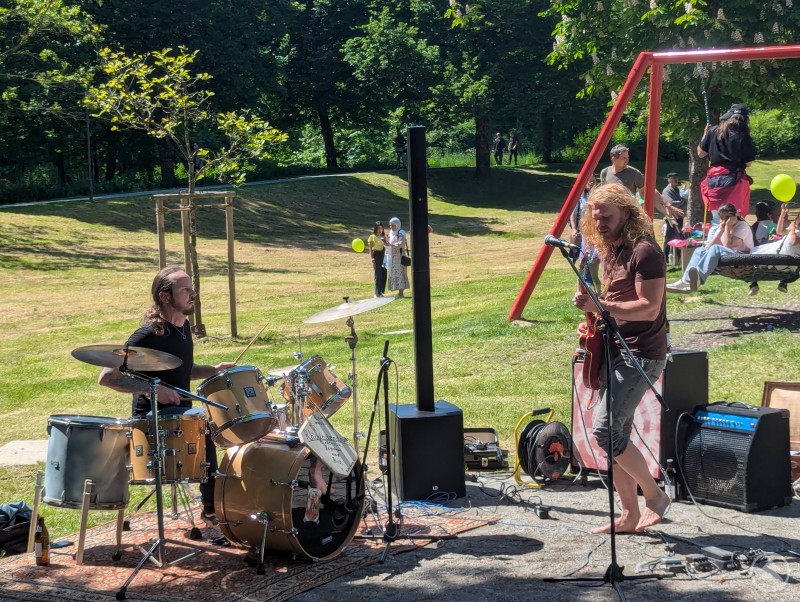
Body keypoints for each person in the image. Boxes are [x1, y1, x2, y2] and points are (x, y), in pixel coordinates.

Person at [98, 266, 235, 524]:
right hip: (151, 418)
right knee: (203, 421)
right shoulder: (149, 334)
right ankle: (211, 506)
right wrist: (153, 390)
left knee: (218, 418)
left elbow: (183, 370)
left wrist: (213, 370)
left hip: (180, 413)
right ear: (165, 296)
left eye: (192, 288)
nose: (193, 294)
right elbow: (107, 376)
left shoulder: (184, 329)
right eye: (185, 289)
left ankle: (225, 493)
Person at [573, 183, 669, 533]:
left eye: (607, 217)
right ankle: (629, 514)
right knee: (616, 435)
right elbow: (612, 300)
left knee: (605, 431)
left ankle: (655, 495)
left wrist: (602, 306)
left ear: (627, 212)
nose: (600, 224)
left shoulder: (646, 252)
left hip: (641, 355)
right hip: (616, 350)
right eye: (595, 218)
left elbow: (648, 308)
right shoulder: (609, 249)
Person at [666, 203, 754, 293]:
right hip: (727, 254)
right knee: (700, 250)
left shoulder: (742, 226)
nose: (725, 220)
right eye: (722, 217)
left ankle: (698, 278)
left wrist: (727, 227)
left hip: (742, 257)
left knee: (716, 248)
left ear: (734, 216)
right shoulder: (723, 226)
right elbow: (709, 247)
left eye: (727, 217)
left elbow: (728, 245)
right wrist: (721, 230)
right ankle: (686, 281)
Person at [698, 103, 756, 240]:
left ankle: (710, 249)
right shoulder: (744, 136)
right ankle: (731, 250)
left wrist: (705, 136)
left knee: (717, 220)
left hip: (714, 180)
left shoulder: (713, 131)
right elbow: (749, 163)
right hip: (734, 182)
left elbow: (700, 153)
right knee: (734, 219)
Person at [600, 144, 683, 220]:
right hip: (610, 215)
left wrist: (667, 206)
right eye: (623, 158)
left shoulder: (634, 173)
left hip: (628, 215)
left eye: (627, 157)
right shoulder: (605, 172)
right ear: (614, 159)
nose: (627, 161)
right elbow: (603, 195)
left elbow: (649, 192)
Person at [749, 204, 794, 296]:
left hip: (783, 251)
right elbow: (778, 232)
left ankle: (783, 282)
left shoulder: (790, 226)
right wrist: (782, 214)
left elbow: (778, 233)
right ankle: (753, 284)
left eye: (785, 215)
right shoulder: (772, 225)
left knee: (790, 267)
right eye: (778, 214)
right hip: (773, 249)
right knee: (755, 260)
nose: (785, 217)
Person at [568, 173, 600, 287]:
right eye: (588, 179)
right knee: (582, 258)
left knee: (592, 259)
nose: (591, 181)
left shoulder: (598, 195)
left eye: (593, 178)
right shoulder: (579, 196)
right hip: (583, 232)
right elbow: (572, 212)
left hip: (595, 232)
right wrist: (574, 228)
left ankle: (590, 284)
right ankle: (584, 284)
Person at [661, 172, 686, 262]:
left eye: (676, 178)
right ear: (669, 180)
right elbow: (670, 203)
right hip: (671, 217)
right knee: (670, 237)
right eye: (673, 178)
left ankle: (677, 258)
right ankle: (665, 257)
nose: (675, 179)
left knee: (677, 237)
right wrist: (682, 200)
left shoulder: (677, 189)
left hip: (679, 216)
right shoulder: (666, 190)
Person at [386, 217, 409, 298]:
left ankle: (401, 293)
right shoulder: (391, 233)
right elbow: (389, 242)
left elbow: (400, 243)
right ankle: (398, 292)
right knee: (394, 273)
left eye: (393, 225)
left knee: (401, 274)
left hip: (399, 256)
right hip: (392, 257)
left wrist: (391, 245)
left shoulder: (401, 232)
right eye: (390, 225)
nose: (391, 227)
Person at [368, 221, 387, 297]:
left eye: (381, 228)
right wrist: (372, 258)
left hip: (383, 254)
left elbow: (386, 244)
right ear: (375, 229)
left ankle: (381, 291)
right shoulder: (372, 237)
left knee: (383, 273)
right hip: (376, 255)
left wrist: (386, 241)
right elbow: (371, 248)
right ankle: (377, 293)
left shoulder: (383, 236)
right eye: (378, 228)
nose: (380, 230)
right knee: (377, 274)